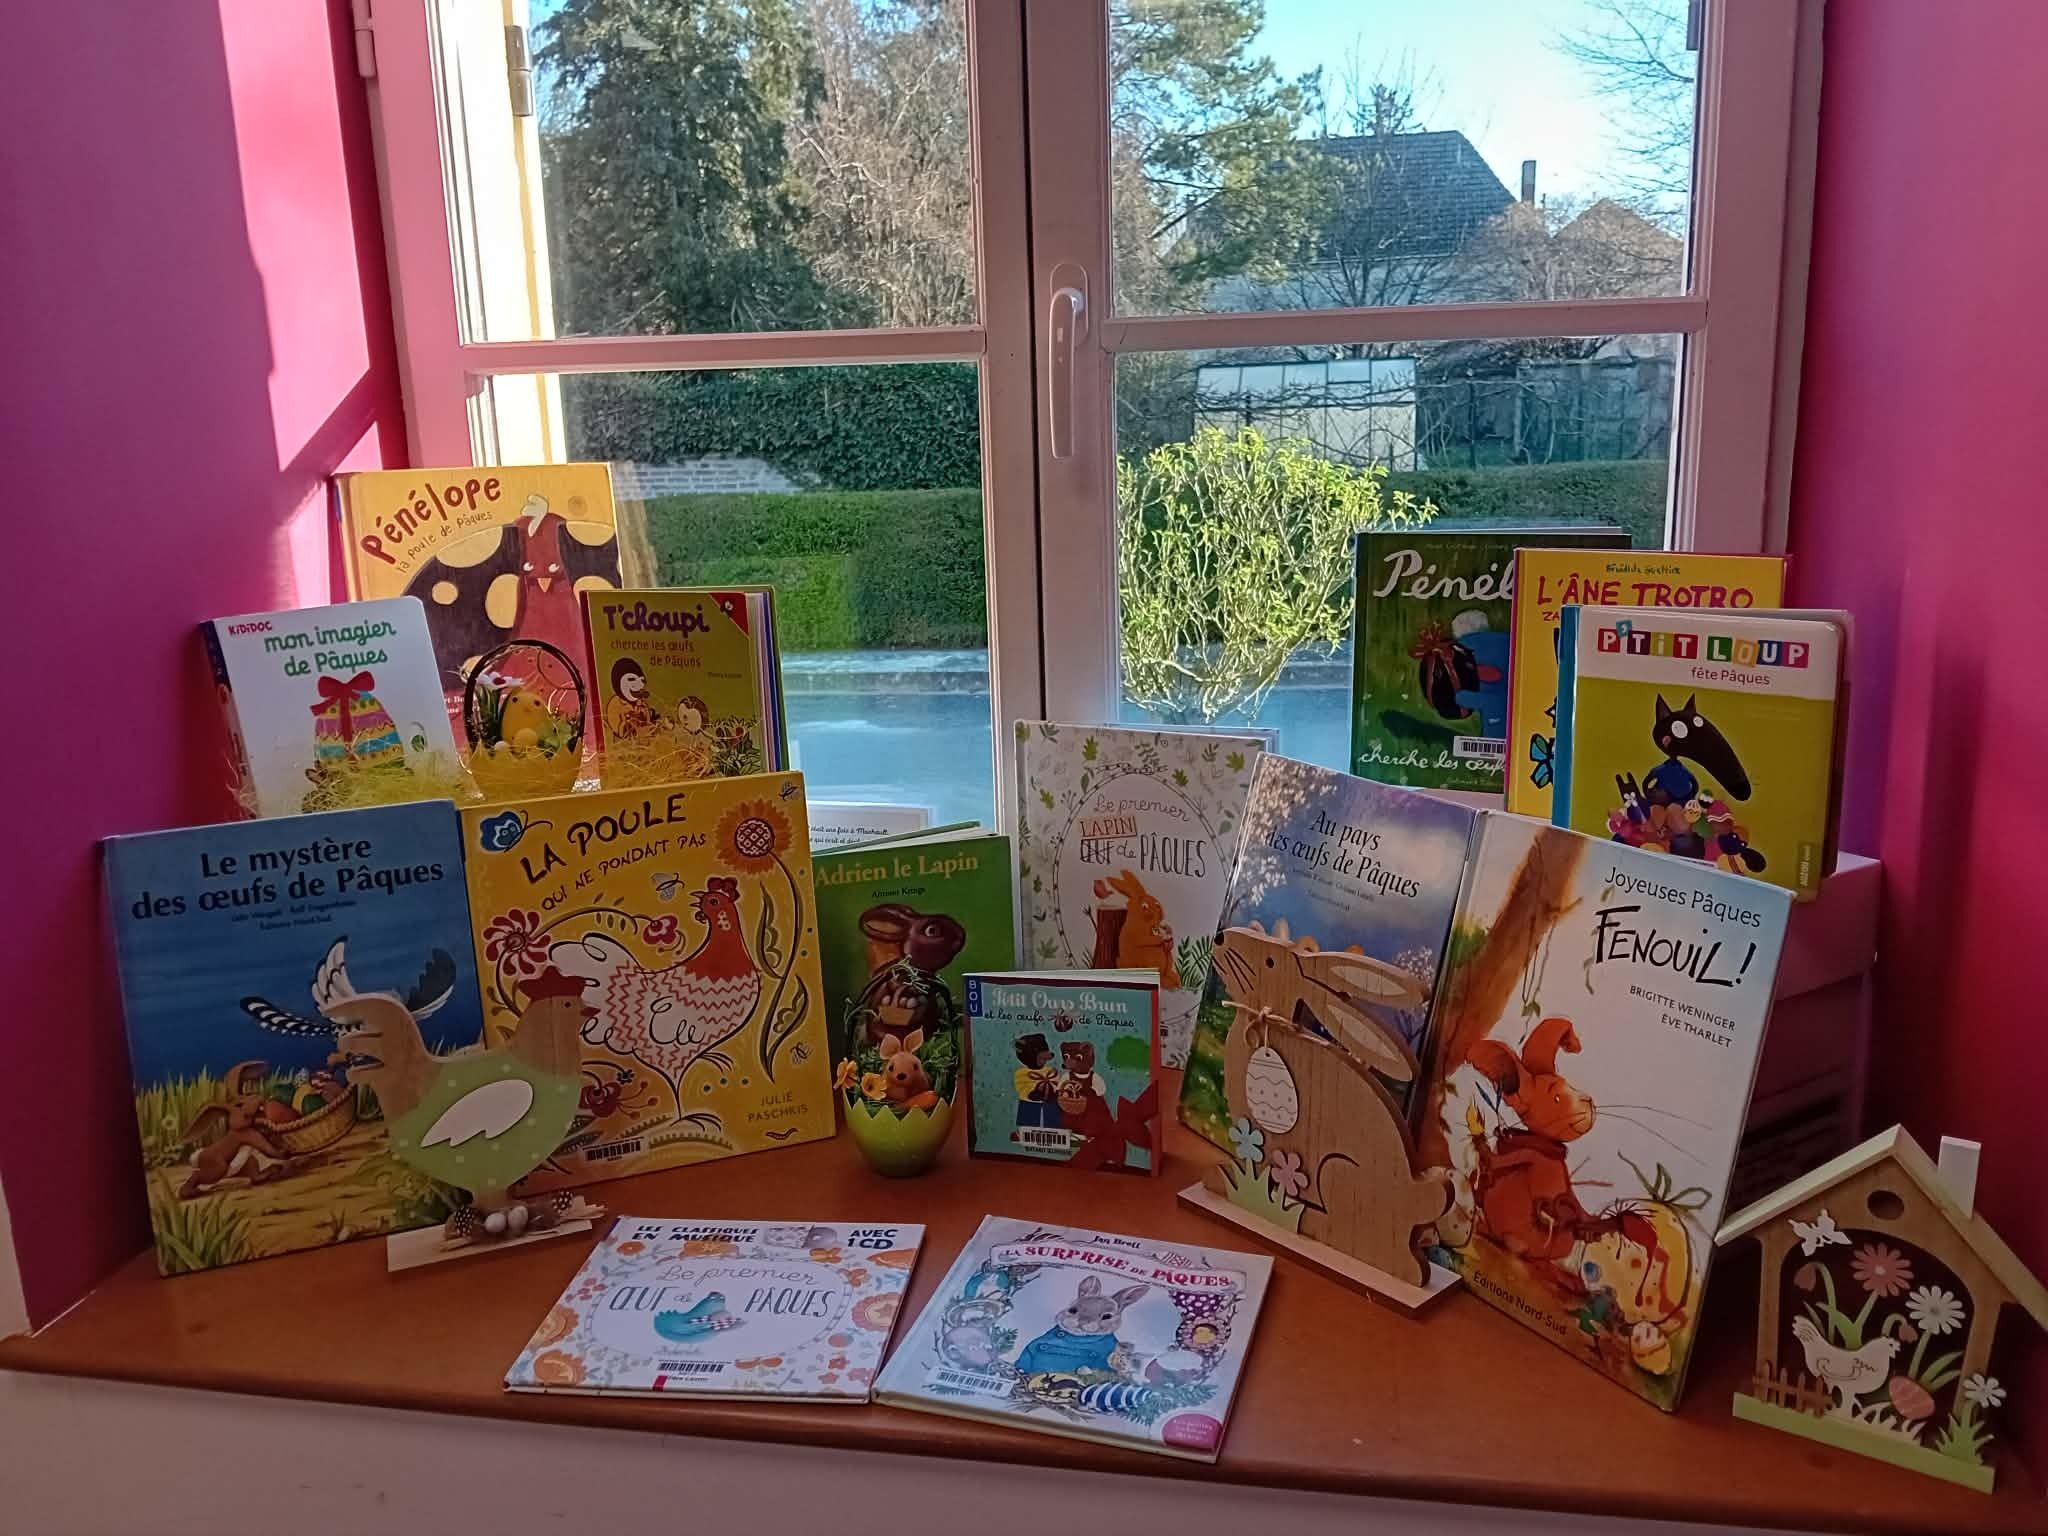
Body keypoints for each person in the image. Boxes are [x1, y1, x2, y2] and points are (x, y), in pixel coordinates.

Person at [604, 658, 661, 740]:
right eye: (631, 679)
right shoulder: (615, 704)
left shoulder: (641, 703)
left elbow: (647, 720)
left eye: (641, 680)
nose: (638, 684)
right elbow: (619, 729)